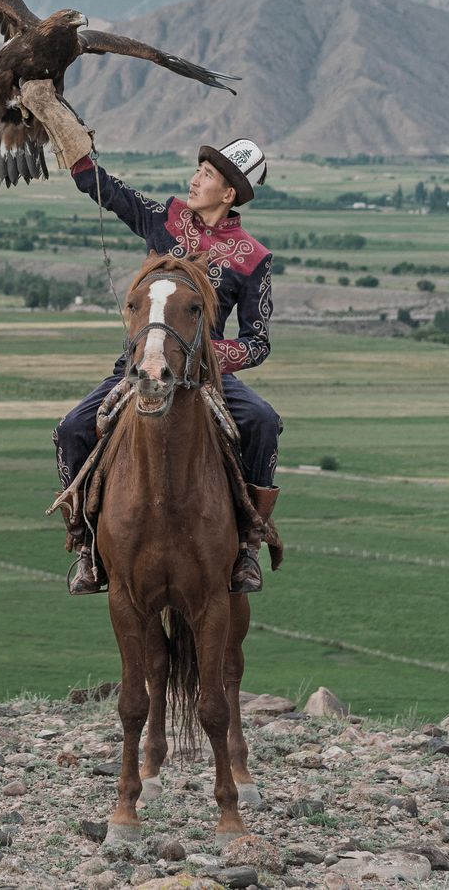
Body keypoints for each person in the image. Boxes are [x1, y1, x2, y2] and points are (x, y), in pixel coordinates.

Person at [54, 139, 281, 594]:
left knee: (263, 421)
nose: (195, 179)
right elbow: (106, 189)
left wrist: (209, 356)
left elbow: (259, 342)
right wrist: (72, 144)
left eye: (208, 174)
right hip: (141, 362)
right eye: (198, 169)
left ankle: (249, 545)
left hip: (206, 370)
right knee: (71, 427)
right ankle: (84, 542)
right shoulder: (165, 220)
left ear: (229, 194)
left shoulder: (253, 259)